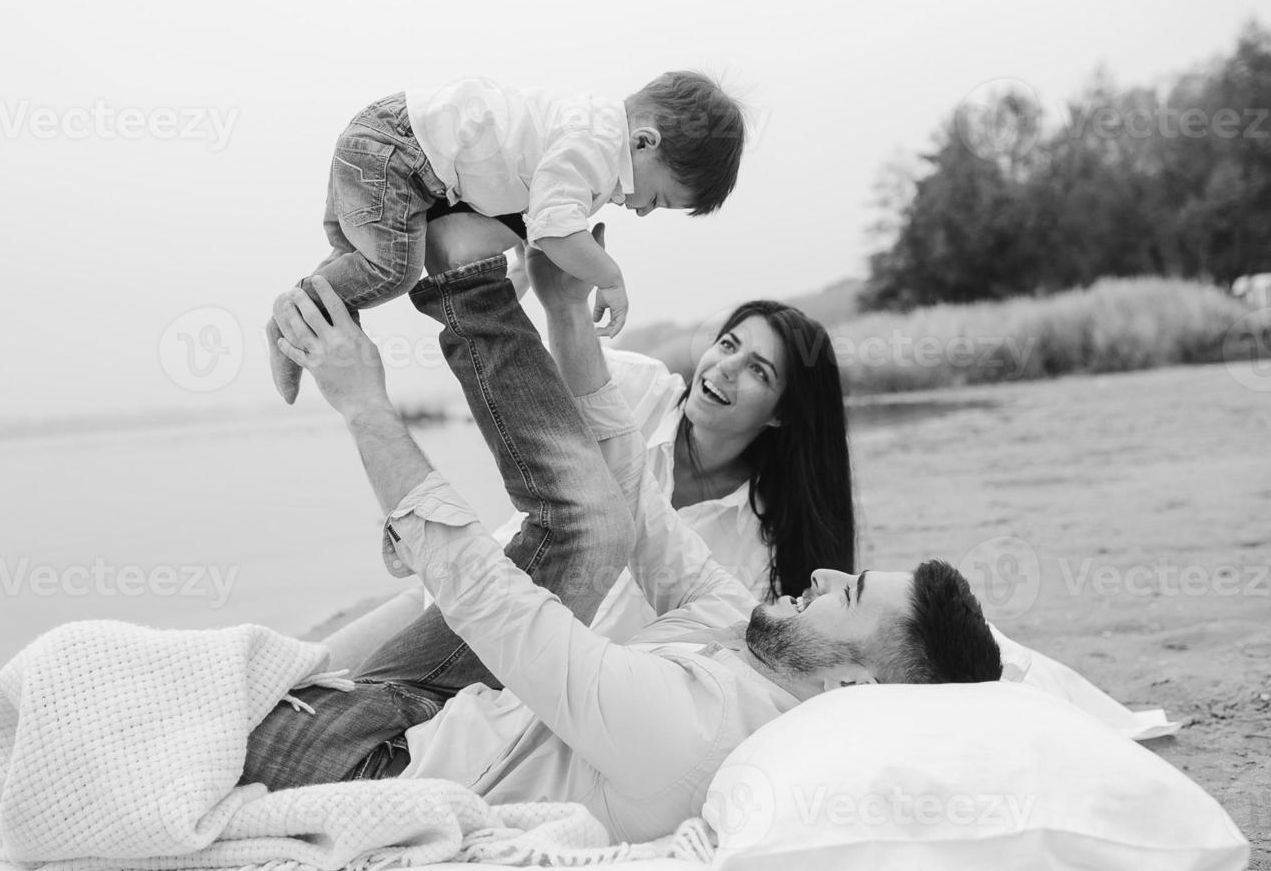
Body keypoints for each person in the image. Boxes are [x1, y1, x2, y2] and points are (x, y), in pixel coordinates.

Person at [242, 250, 1003, 842]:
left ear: (854, 690)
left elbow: (508, 615)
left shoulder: (693, 732)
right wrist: (565, 304)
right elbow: (636, 496)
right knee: (604, 519)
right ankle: (468, 278)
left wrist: (366, 407)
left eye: (853, 592)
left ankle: (466, 277)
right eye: (728, 346)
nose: (829, 572)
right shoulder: (748, 635)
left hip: (385, 756)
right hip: (449, 679)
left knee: (591, 529)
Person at [323, 232, 857, 664]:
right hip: (467, 599)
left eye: (758, 371)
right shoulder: (635, 388)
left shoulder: (764, 548)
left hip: (550, 686)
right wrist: (505, 291)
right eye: (728, 345)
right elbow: (515, 392)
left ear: (783, 412)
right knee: (306, 674)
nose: (726, 369)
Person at [268, 71, 746, 403]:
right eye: (657, 199)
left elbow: (529, 207)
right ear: (644, 141)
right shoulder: (596, 149)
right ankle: (289, 317)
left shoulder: (585, 133)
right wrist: (611, 277)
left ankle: (298, 325)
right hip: (396, 150)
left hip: (386, 142)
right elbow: (554, 227)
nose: (642, 211)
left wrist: (521, 267)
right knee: (391, 270)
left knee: (354, 264)